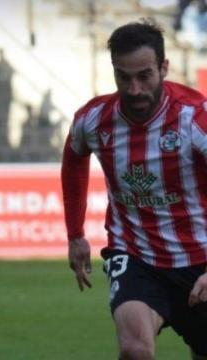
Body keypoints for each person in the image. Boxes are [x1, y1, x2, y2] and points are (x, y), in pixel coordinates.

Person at [62, 19, 207, 360]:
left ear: (164, 68)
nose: (135, 89)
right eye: (123, 77)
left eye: (145, 76)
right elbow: (73, 161)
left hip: (201, 259)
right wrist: (75, 234)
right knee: (134, 349)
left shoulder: (194, 117)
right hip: (136, 254)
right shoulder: (93, 119)